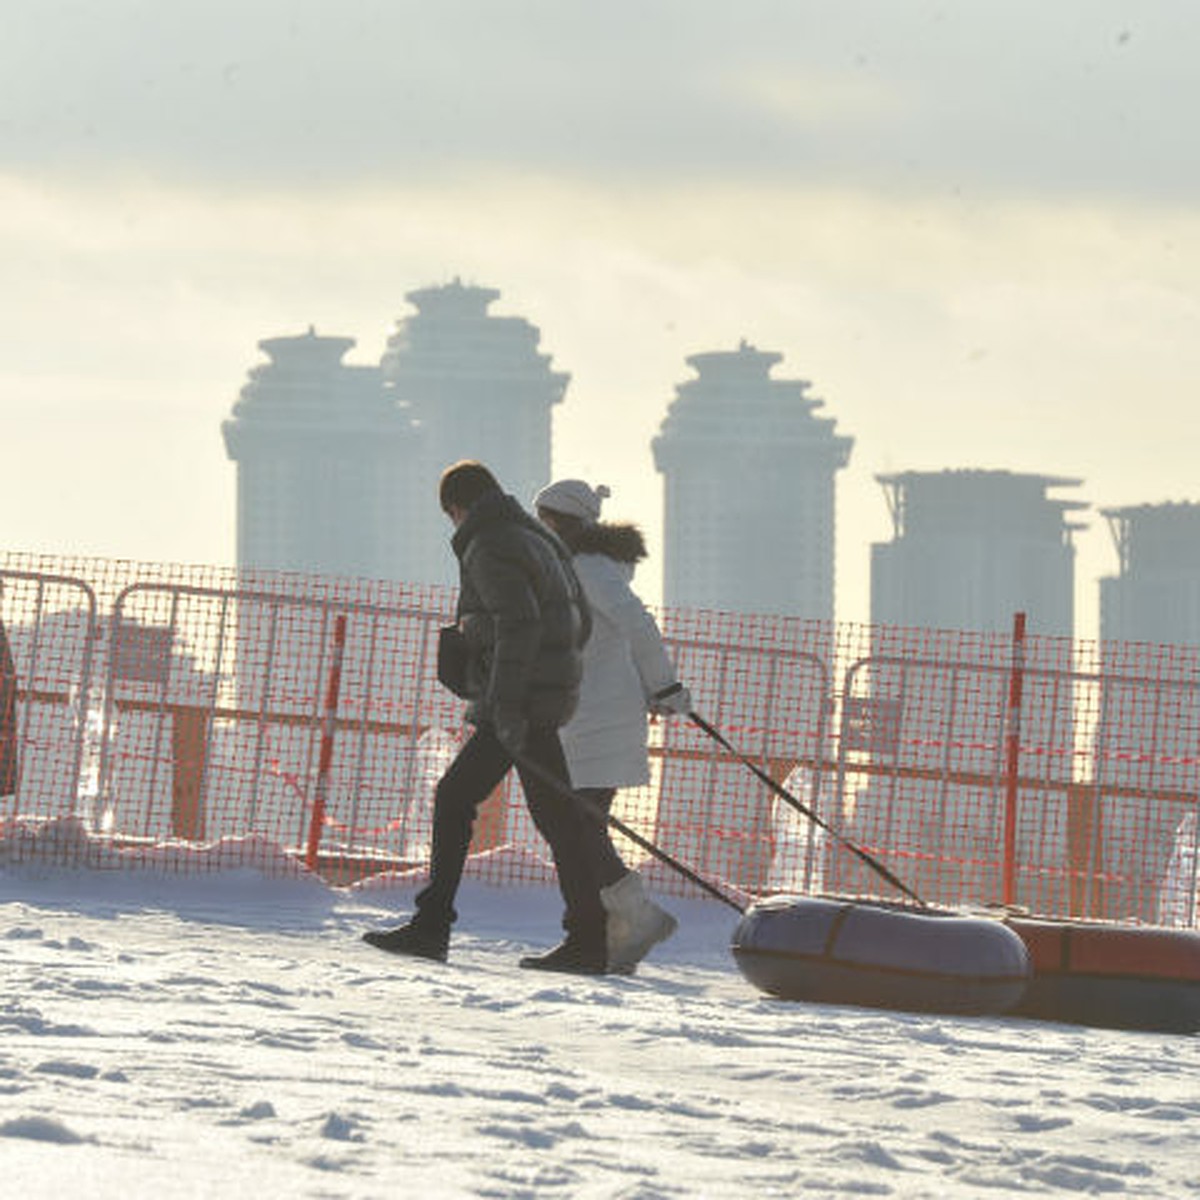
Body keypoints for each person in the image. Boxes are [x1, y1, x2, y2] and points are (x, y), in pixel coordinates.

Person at [364, 460, 615, 974]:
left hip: (517, 704)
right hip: (540, 697)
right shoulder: (535, 539)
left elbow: (518, 625)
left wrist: (504, 702)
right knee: (558, 820)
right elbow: (578, 623)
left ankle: (433, 927)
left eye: (450, 517)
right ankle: (588, 938)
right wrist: (549, 677)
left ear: (458, 508)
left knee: (455, 798)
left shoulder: (491, 542)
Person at [534, 479, 692, 973]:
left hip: (596, 718)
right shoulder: (579, 567)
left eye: (546, 518)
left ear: (563, 521)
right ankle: (613, 933)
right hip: (590, 714)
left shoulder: (587, 568)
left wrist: (664, 687)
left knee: (579, 827)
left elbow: (635, 623)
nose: (540, 527)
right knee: (581, 826)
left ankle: (632, 919)